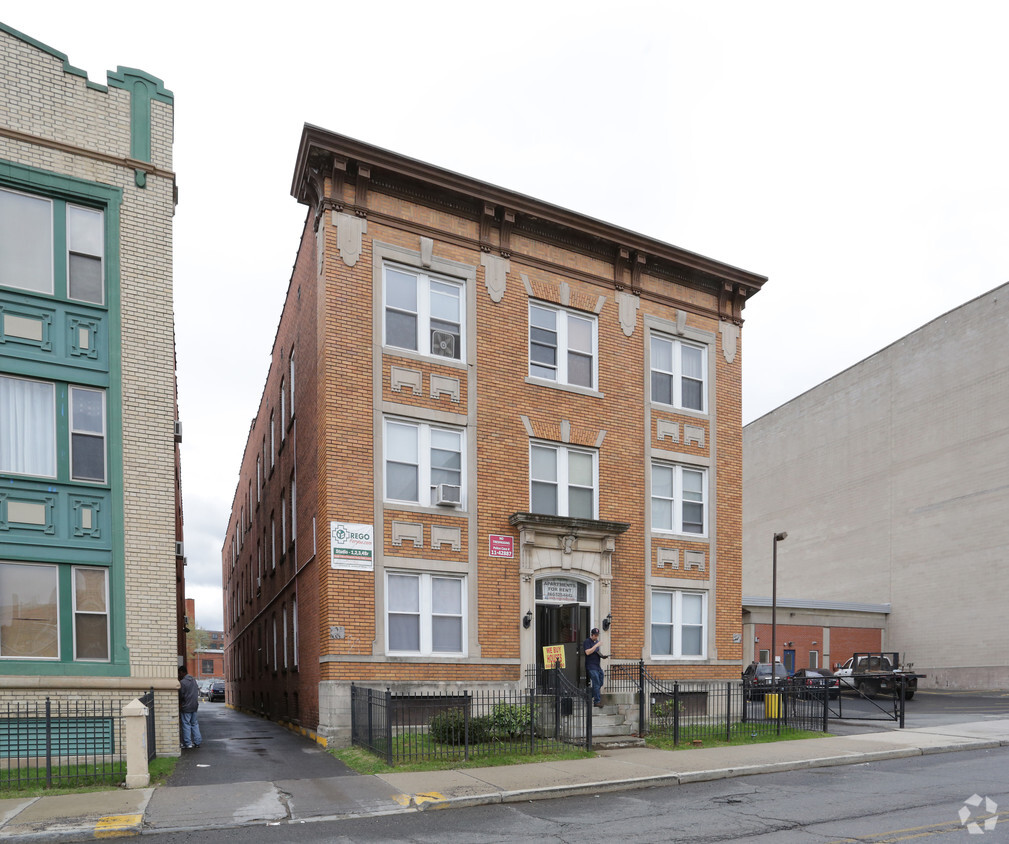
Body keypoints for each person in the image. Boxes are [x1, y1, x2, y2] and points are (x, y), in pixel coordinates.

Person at [583, 627, 608, 707]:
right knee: (596, 683)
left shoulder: (596, 642)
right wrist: (596, 645)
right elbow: (587, 652)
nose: (596, 637)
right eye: (595, 635)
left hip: (597, 666)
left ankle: (589, 696)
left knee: (600, 682)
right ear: (592, 635)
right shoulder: (587, 642)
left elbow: (596, 652)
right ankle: (597, 702)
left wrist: (602, 656)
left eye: (597, 635)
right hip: (591, 666)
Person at [178, 666, 202, 749]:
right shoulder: (194, 680)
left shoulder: (183, 682)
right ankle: (197, 742)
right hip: (194, 705)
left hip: (186, 706)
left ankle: (188, 743)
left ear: (182, 672)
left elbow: (181, 695)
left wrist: (180, 704)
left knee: (186, 724)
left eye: (179, 673)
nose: (179, 675)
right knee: (194, 724)